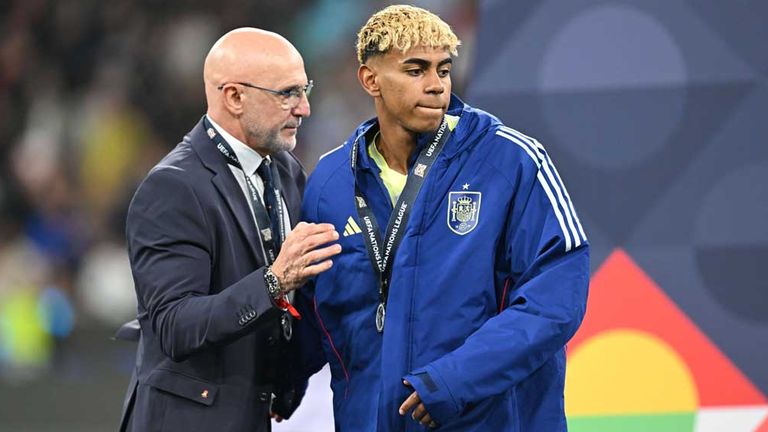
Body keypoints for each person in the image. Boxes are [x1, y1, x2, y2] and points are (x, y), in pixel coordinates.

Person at [294, 5, 590, 431]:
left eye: (444, 70)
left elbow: (554, 301)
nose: (436, 86)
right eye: (416, 70)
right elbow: (319, 311)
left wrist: (455, 381)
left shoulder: (511, 162)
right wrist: (279, 382)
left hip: (490, 418)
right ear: (370, 79)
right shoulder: (330, 182)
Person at [119, 28, 341, 432]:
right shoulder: (173, 186)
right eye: (287, 93)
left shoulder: (285, 170)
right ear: (235, 97)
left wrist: (289, 381)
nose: (304, 108)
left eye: (304, 89)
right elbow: (175, 326)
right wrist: (274, 282)